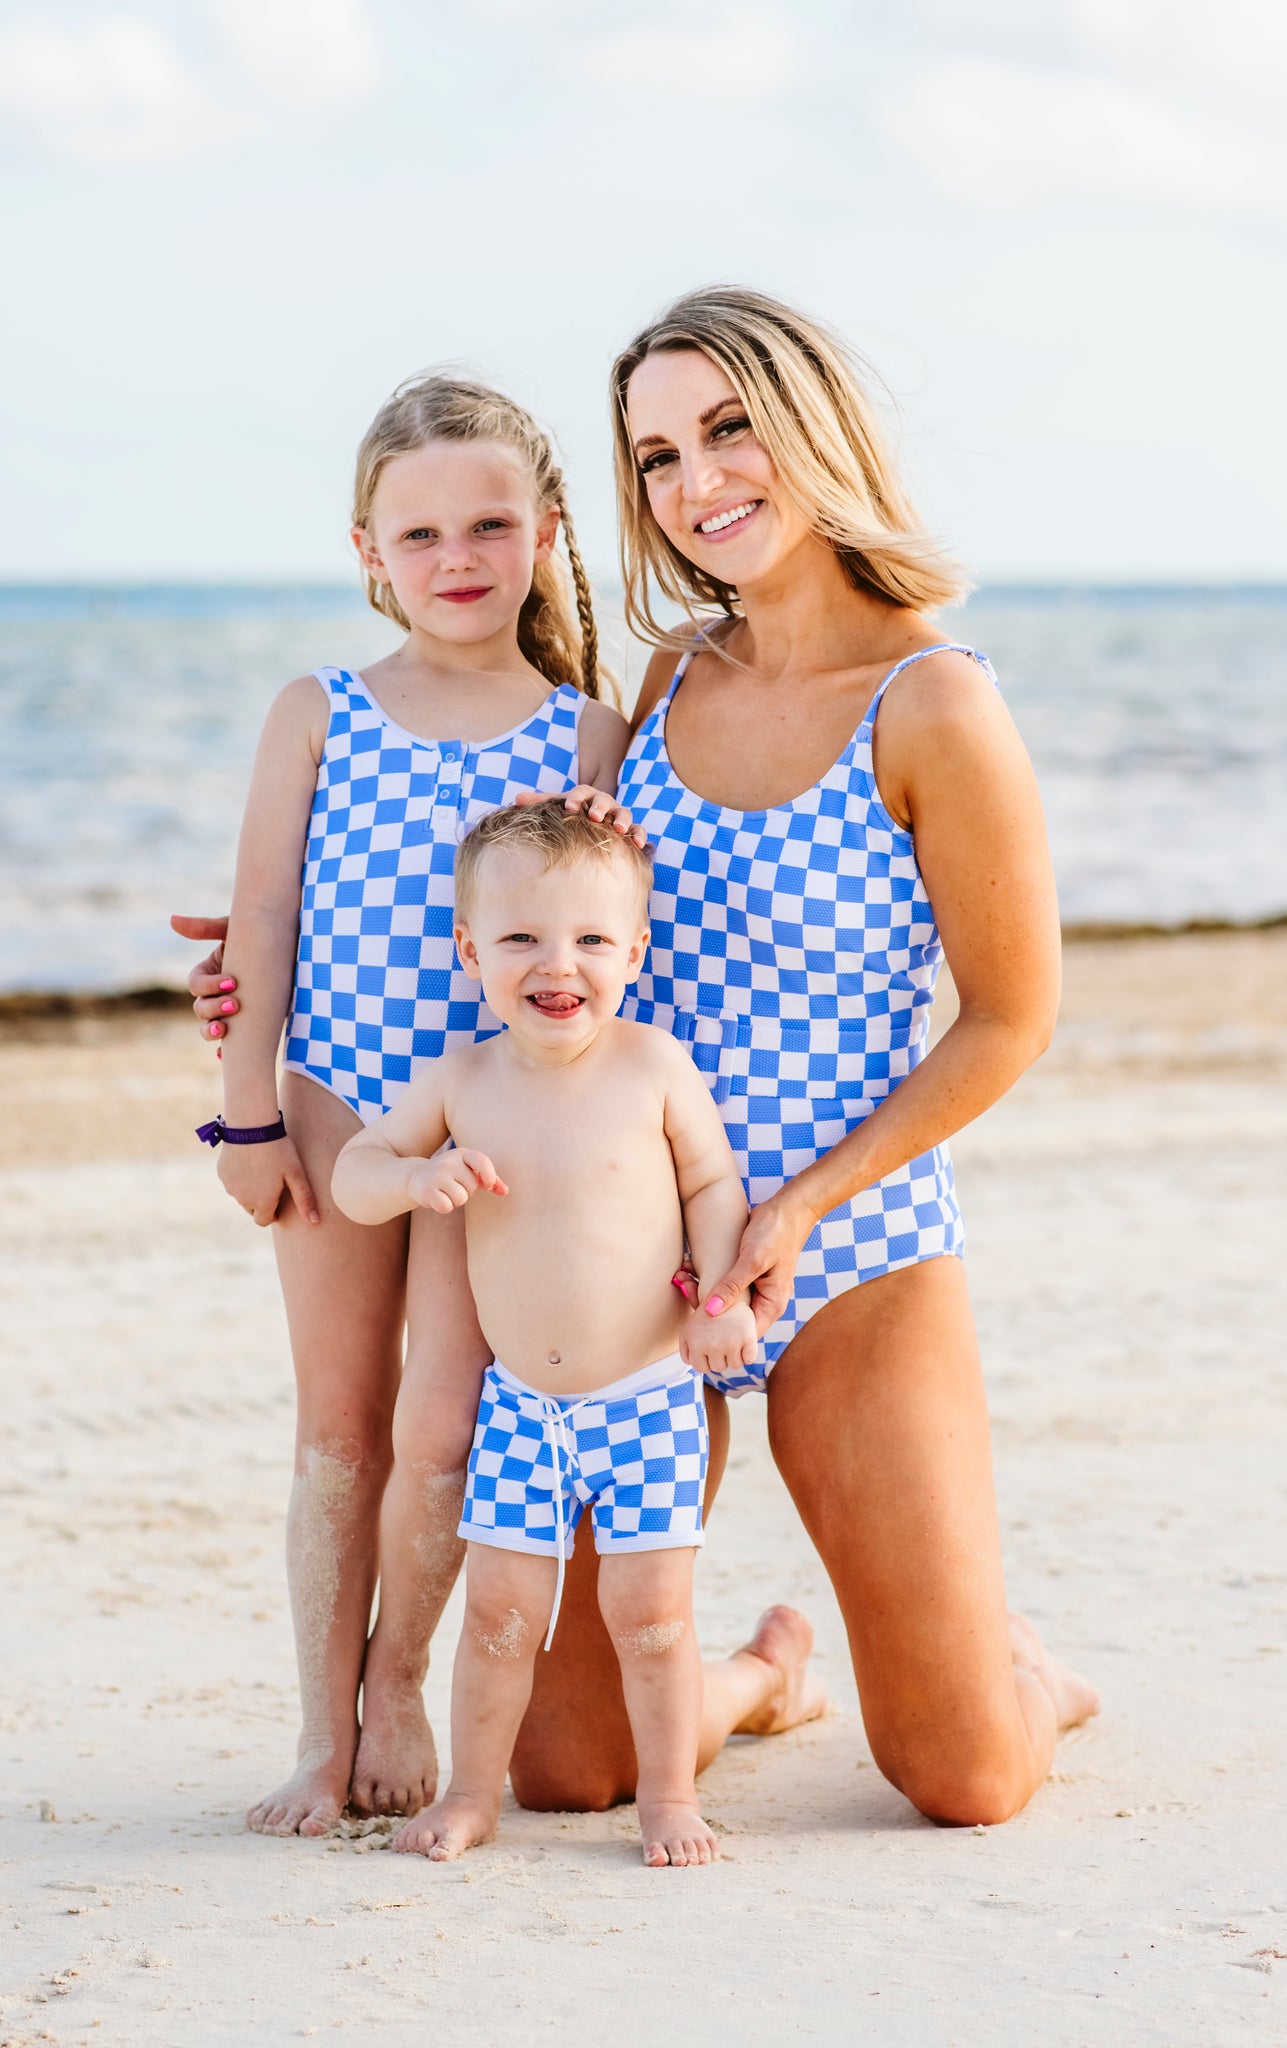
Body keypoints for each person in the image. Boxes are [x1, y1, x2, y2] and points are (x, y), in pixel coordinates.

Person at [188, 284, 1099, 1828]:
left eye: (729, 429)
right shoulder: (670, 676)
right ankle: (756, 1679)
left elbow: (1010, 1016)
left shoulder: (931, 699)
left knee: (960, 1777)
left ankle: (1021, 1673)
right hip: (619, 1263)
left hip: (841, 1246)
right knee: (565, 1771)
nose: (695, 480)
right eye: (658, 456)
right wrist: (289, 944)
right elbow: (553, 900)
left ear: (816, 427)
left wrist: (794, 1206)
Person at [182, 374, 634, 1836]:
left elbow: (612, 930)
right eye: (420, 532)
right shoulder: (318, 710)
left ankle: (398, 1680)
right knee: (339, 1430)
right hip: (330, 1104)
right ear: (367, 550)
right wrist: (245, 1114)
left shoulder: (585, 731)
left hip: (491, 1129)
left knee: (440, 1432)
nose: (457, 558)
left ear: (545, 533)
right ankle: (321, 1737)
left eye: (489, 525)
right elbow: (262, 914)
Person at [330, 799, 814, 1866]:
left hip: (646, 1398)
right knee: (498, 1612)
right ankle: (471, 1795)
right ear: (470, 951)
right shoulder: (464, 1081)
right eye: (520, 937)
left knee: (651, 1613)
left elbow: (711, 1184)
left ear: (634, 952)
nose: (559, 964)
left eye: (593, 938)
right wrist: (414, 1176)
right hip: (521, 1410)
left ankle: (668, 1799)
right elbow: (354, 1172)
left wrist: (720, 1300)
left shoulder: (651, 1065)